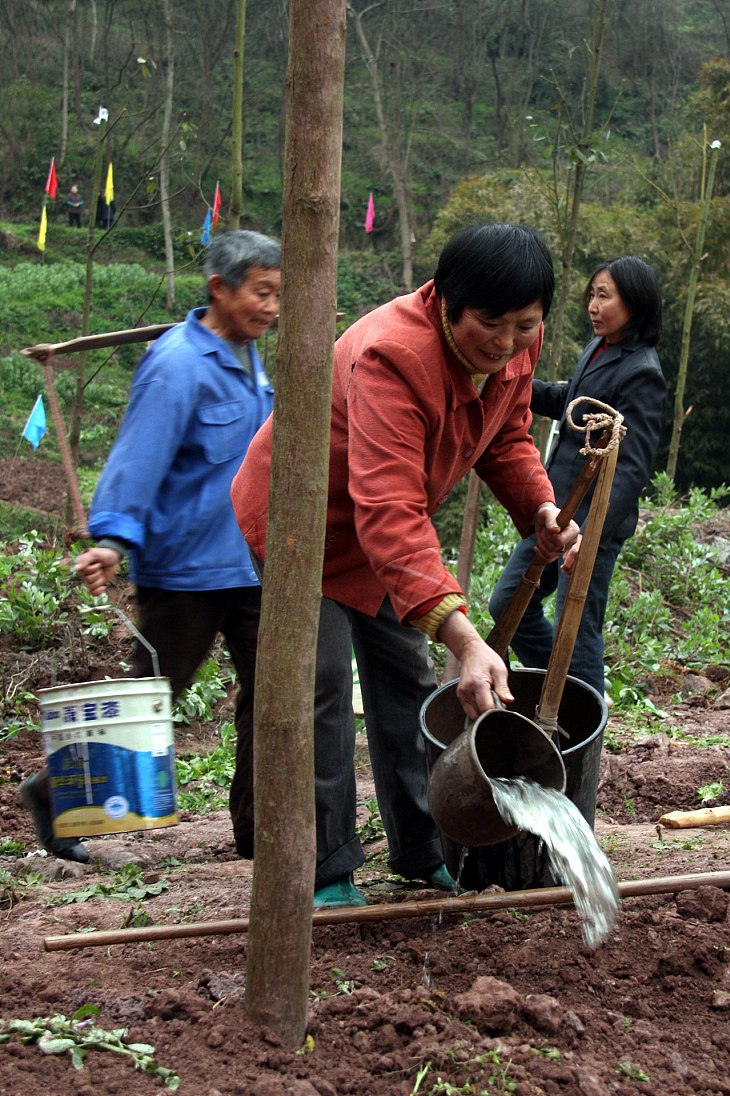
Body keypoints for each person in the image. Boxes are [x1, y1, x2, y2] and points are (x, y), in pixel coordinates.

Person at [231, 223, 580, 908]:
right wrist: (466, 636)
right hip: (306, 524)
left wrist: (538, 506)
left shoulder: (515, 343)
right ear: (446, 302)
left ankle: (421, 850)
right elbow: (387, 507)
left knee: (406, 681)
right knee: (321, 685)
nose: (507, 342)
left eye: (525, 325)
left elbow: (505, 436)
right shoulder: (390, 354)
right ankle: (324, 868)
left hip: (385, 539)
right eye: (491, 323)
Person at [21, 229, 282, 864]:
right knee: (154, 696)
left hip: (250, 561)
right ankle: (53, 794)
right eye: (261, 293)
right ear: (220, 289)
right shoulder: (175, 365)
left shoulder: (250, 357)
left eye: (278, 295)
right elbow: (139, 457)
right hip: (187, 567)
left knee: (272, 697)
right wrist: (112, 539)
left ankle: (257, 833)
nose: (272, 308)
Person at [489, 254, 666, 698]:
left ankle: (582, 726)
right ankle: (572, 696)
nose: (593, 304)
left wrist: (589, 533)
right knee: (510, 603)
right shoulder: (598, 347)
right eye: (592, 294)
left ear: (635, 303)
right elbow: (574, 400)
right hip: (555, 509)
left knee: (578, 622)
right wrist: (514, 384)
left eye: (604, 296)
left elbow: (632, 465)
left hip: (590, 523)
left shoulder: (642, 371)